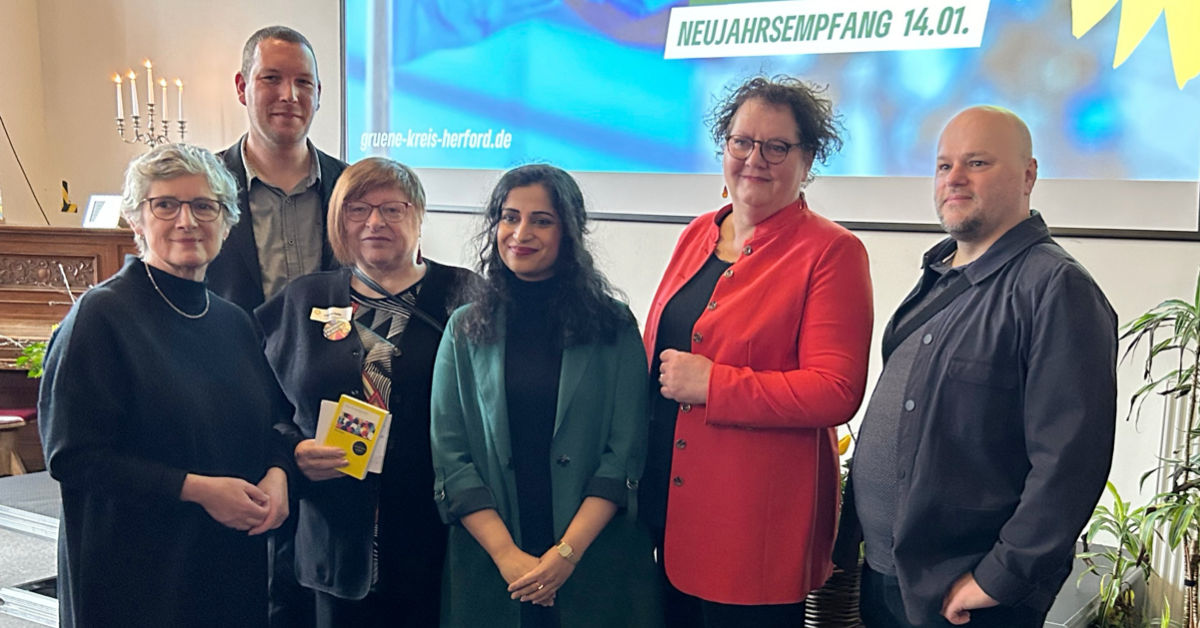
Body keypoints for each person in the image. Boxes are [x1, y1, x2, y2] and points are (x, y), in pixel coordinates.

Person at [834, 106, 1118, 627]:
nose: (954, 179)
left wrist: (1000, 577)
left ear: (1029, 175)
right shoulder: (939, 273)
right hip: (888, 578)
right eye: (944, 166)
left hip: (966, 596)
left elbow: (1070, 463)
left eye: (977, 162)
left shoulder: (1056, 289)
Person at [641, 75, 874, 627]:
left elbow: (835, 391)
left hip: (752, 531)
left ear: (808, 159)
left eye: (777, 147)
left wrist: (714, 384)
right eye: (742, 142)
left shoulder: (832, 252)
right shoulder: (699, 232)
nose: (755, 159)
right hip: (667, 513)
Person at [38, 143, 293, 628]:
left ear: (226, 220)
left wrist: (278, 477)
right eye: (166, 205)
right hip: (135, 580)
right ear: (136, 219)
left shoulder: (233, 322)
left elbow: (274, 426)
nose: (187, 220)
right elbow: (73, 456)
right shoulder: (101, 316)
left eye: (204, 205)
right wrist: (198, 490)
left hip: (225, 573)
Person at [431, 164, 662, 628]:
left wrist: (566, 555)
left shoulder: (613, 326)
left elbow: (624, 456)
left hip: (596, 565)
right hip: (492, 566)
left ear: (569, 232)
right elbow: (450, 457)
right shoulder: (464, 327)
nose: (521, 233)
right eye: (509, 216)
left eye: (541, 220)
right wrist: (507, 556)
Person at [254, 157, 474, 628]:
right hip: (331, 540)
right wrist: (293, 450)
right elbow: (262, 404)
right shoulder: (303, 299)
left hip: (433, 534)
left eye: (392, 209)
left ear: (418, 217)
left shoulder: (465, 295)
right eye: (357, 209)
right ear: (339, 221)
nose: (375, 222)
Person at [209, 25, 348, 314]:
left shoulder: (350, 187)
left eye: (304, 82)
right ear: (241, 87)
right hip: (229, 356)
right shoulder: (203, 185)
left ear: (318, 94)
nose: (289, 95)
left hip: (332, 357)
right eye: (271, 78)